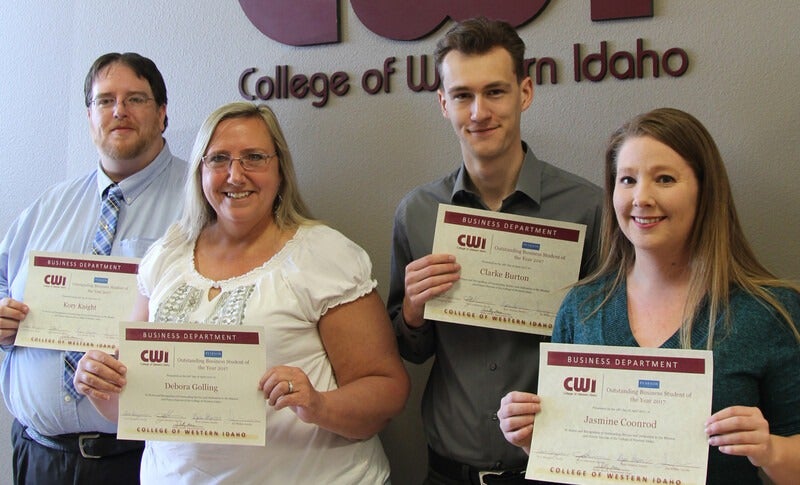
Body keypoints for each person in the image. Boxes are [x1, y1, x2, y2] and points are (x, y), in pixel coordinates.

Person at [74, 101, 411, 484]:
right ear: (200, 172)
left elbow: (387, 389)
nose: (236, 175)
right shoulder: (167, 254)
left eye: (254, 157)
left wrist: (318, 404)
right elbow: (136, 402)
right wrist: (99, 386)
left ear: (280, 170)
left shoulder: (324, 255)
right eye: (218, 159)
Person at [497, 107, 800, 485]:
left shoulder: (769, 311)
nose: (641, 197)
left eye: (665, 179)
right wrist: (534, 441)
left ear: (705, 192)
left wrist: (769, 450)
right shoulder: (582, 308)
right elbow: (570, 462)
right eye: (627, 180)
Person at [387, 17, 603, 484]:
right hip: (446, 472)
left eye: (495, 92)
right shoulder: (418, 212)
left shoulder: (588, 209)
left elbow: (610, 347)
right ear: (443, 104)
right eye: (463, 95)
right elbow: (409, 350)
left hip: (554, 468)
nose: (479, 111)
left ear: (524, 92)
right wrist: (412, 311)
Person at [0, 52, 187, 484]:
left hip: (140, 462)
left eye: (135, 99)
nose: (119, 111)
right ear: (90, 117)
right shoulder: (49, 205)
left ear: (162, 114)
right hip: (39, 456)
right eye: (105, 101)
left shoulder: (201, 202)